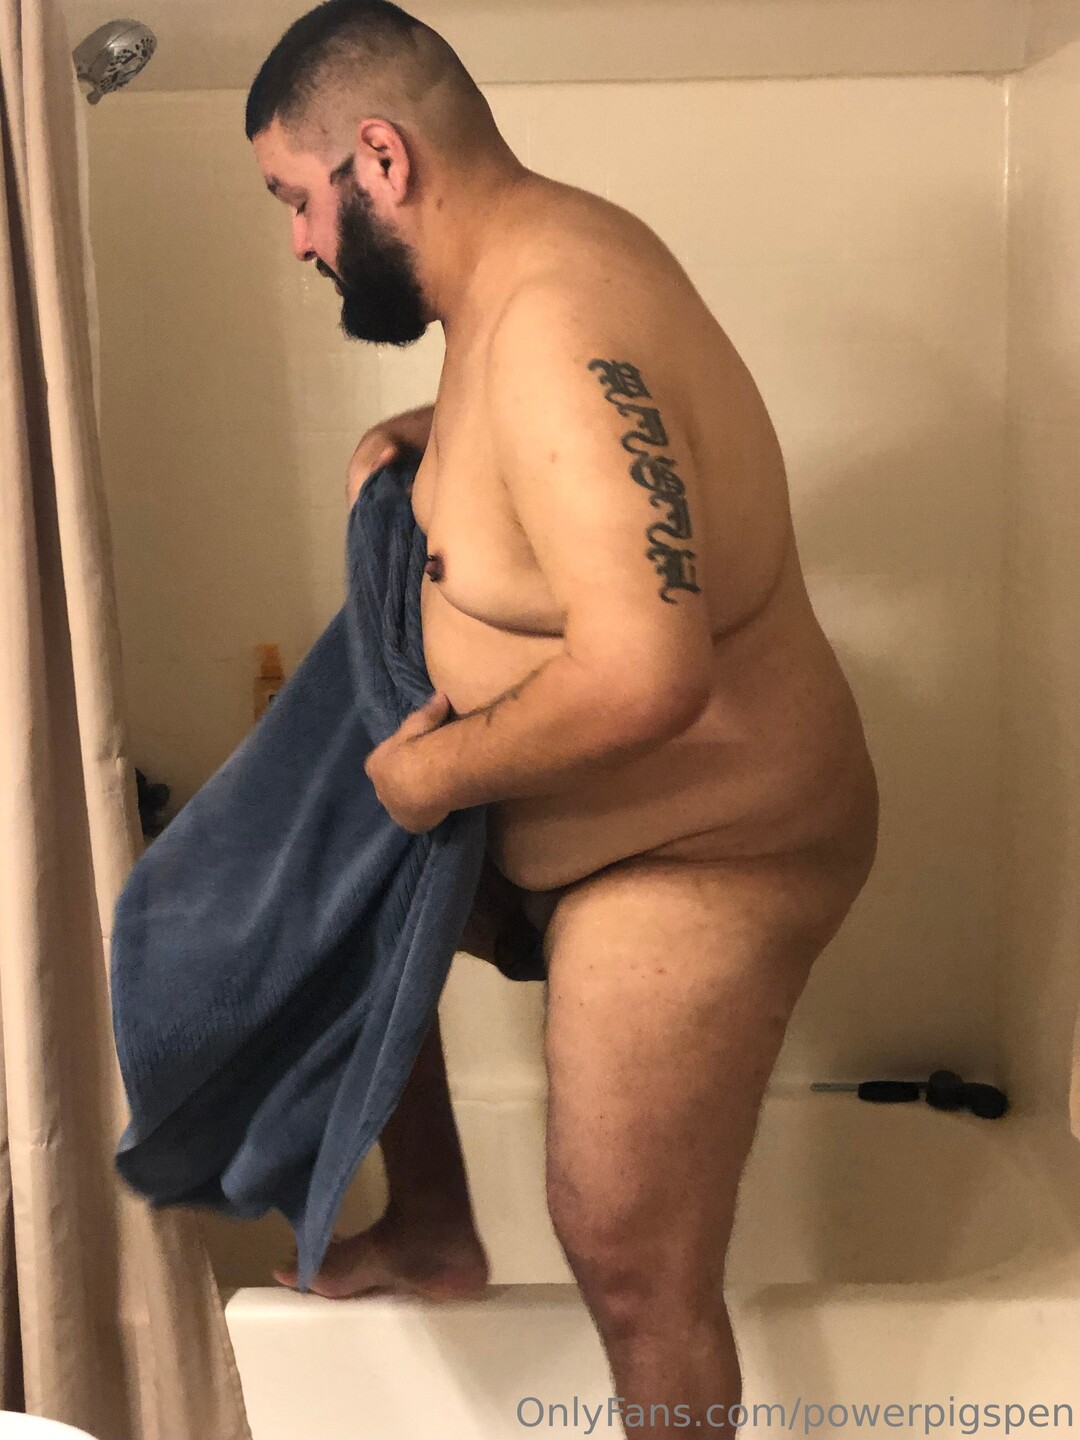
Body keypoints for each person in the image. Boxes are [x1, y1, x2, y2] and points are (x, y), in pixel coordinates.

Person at [248, 2, 879, 1432]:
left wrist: (434, 779)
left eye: (295, 198)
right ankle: (432, 1223)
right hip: (575, 836)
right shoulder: (518, 276)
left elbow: (648, 674)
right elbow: (573, 455)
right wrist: (427, 444)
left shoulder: (554, 323)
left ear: (381, 159)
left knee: (630, 1260)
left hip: (709, 848)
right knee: (319, 902)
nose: (296, 241)